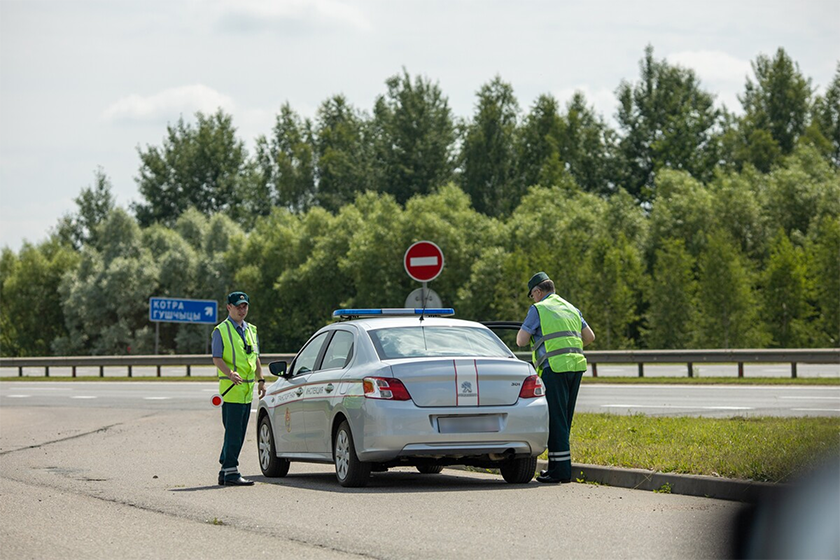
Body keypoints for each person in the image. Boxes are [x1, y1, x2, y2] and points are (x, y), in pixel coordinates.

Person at [516, 272, 595, 484]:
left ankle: (560, 472)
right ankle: (557, 467)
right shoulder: (571, 308)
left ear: (538, 292)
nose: (532, 299)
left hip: (554, 368)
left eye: (532, 295)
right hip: (576, 366)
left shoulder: (539, 309)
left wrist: (534, 333)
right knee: (564, 420)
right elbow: (590, 337)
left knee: (556, 420)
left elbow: (521, 341)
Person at [211, 291, 266, 486]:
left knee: (239, 432)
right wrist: (229, 373)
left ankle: (225, 470)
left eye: (245, 306)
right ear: (229, 307)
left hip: (246, 391)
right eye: (238, 306)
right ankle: (231, 472)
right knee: (234, 432)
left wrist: (261, 379)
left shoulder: (251, 329)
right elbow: (216, 358)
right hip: (231, 390)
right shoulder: (221, 330)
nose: (242, 310)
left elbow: (256, 356)